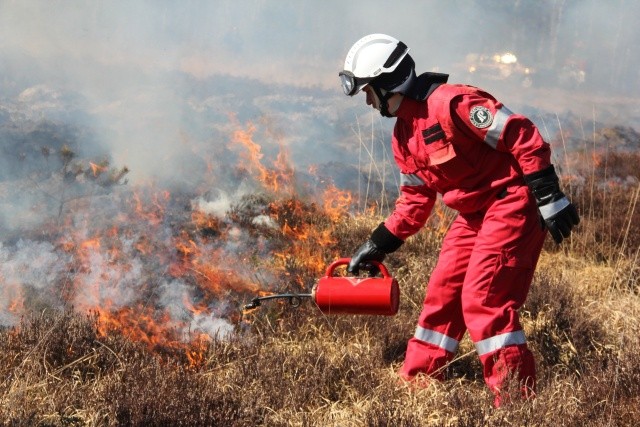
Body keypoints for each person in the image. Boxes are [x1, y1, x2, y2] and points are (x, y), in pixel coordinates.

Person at [339, 34, 579, 406]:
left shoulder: (451, 102)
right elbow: (415, 201)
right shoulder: (403, 136)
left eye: (369, 91)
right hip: (473, 216)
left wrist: (547, 193)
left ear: (388, 83)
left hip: (512, 202)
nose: (368, 102)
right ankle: (419, 381)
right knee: (443, 293)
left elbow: (521, 134)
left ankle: (515, 398)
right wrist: (376, 245)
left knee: (483, 298)